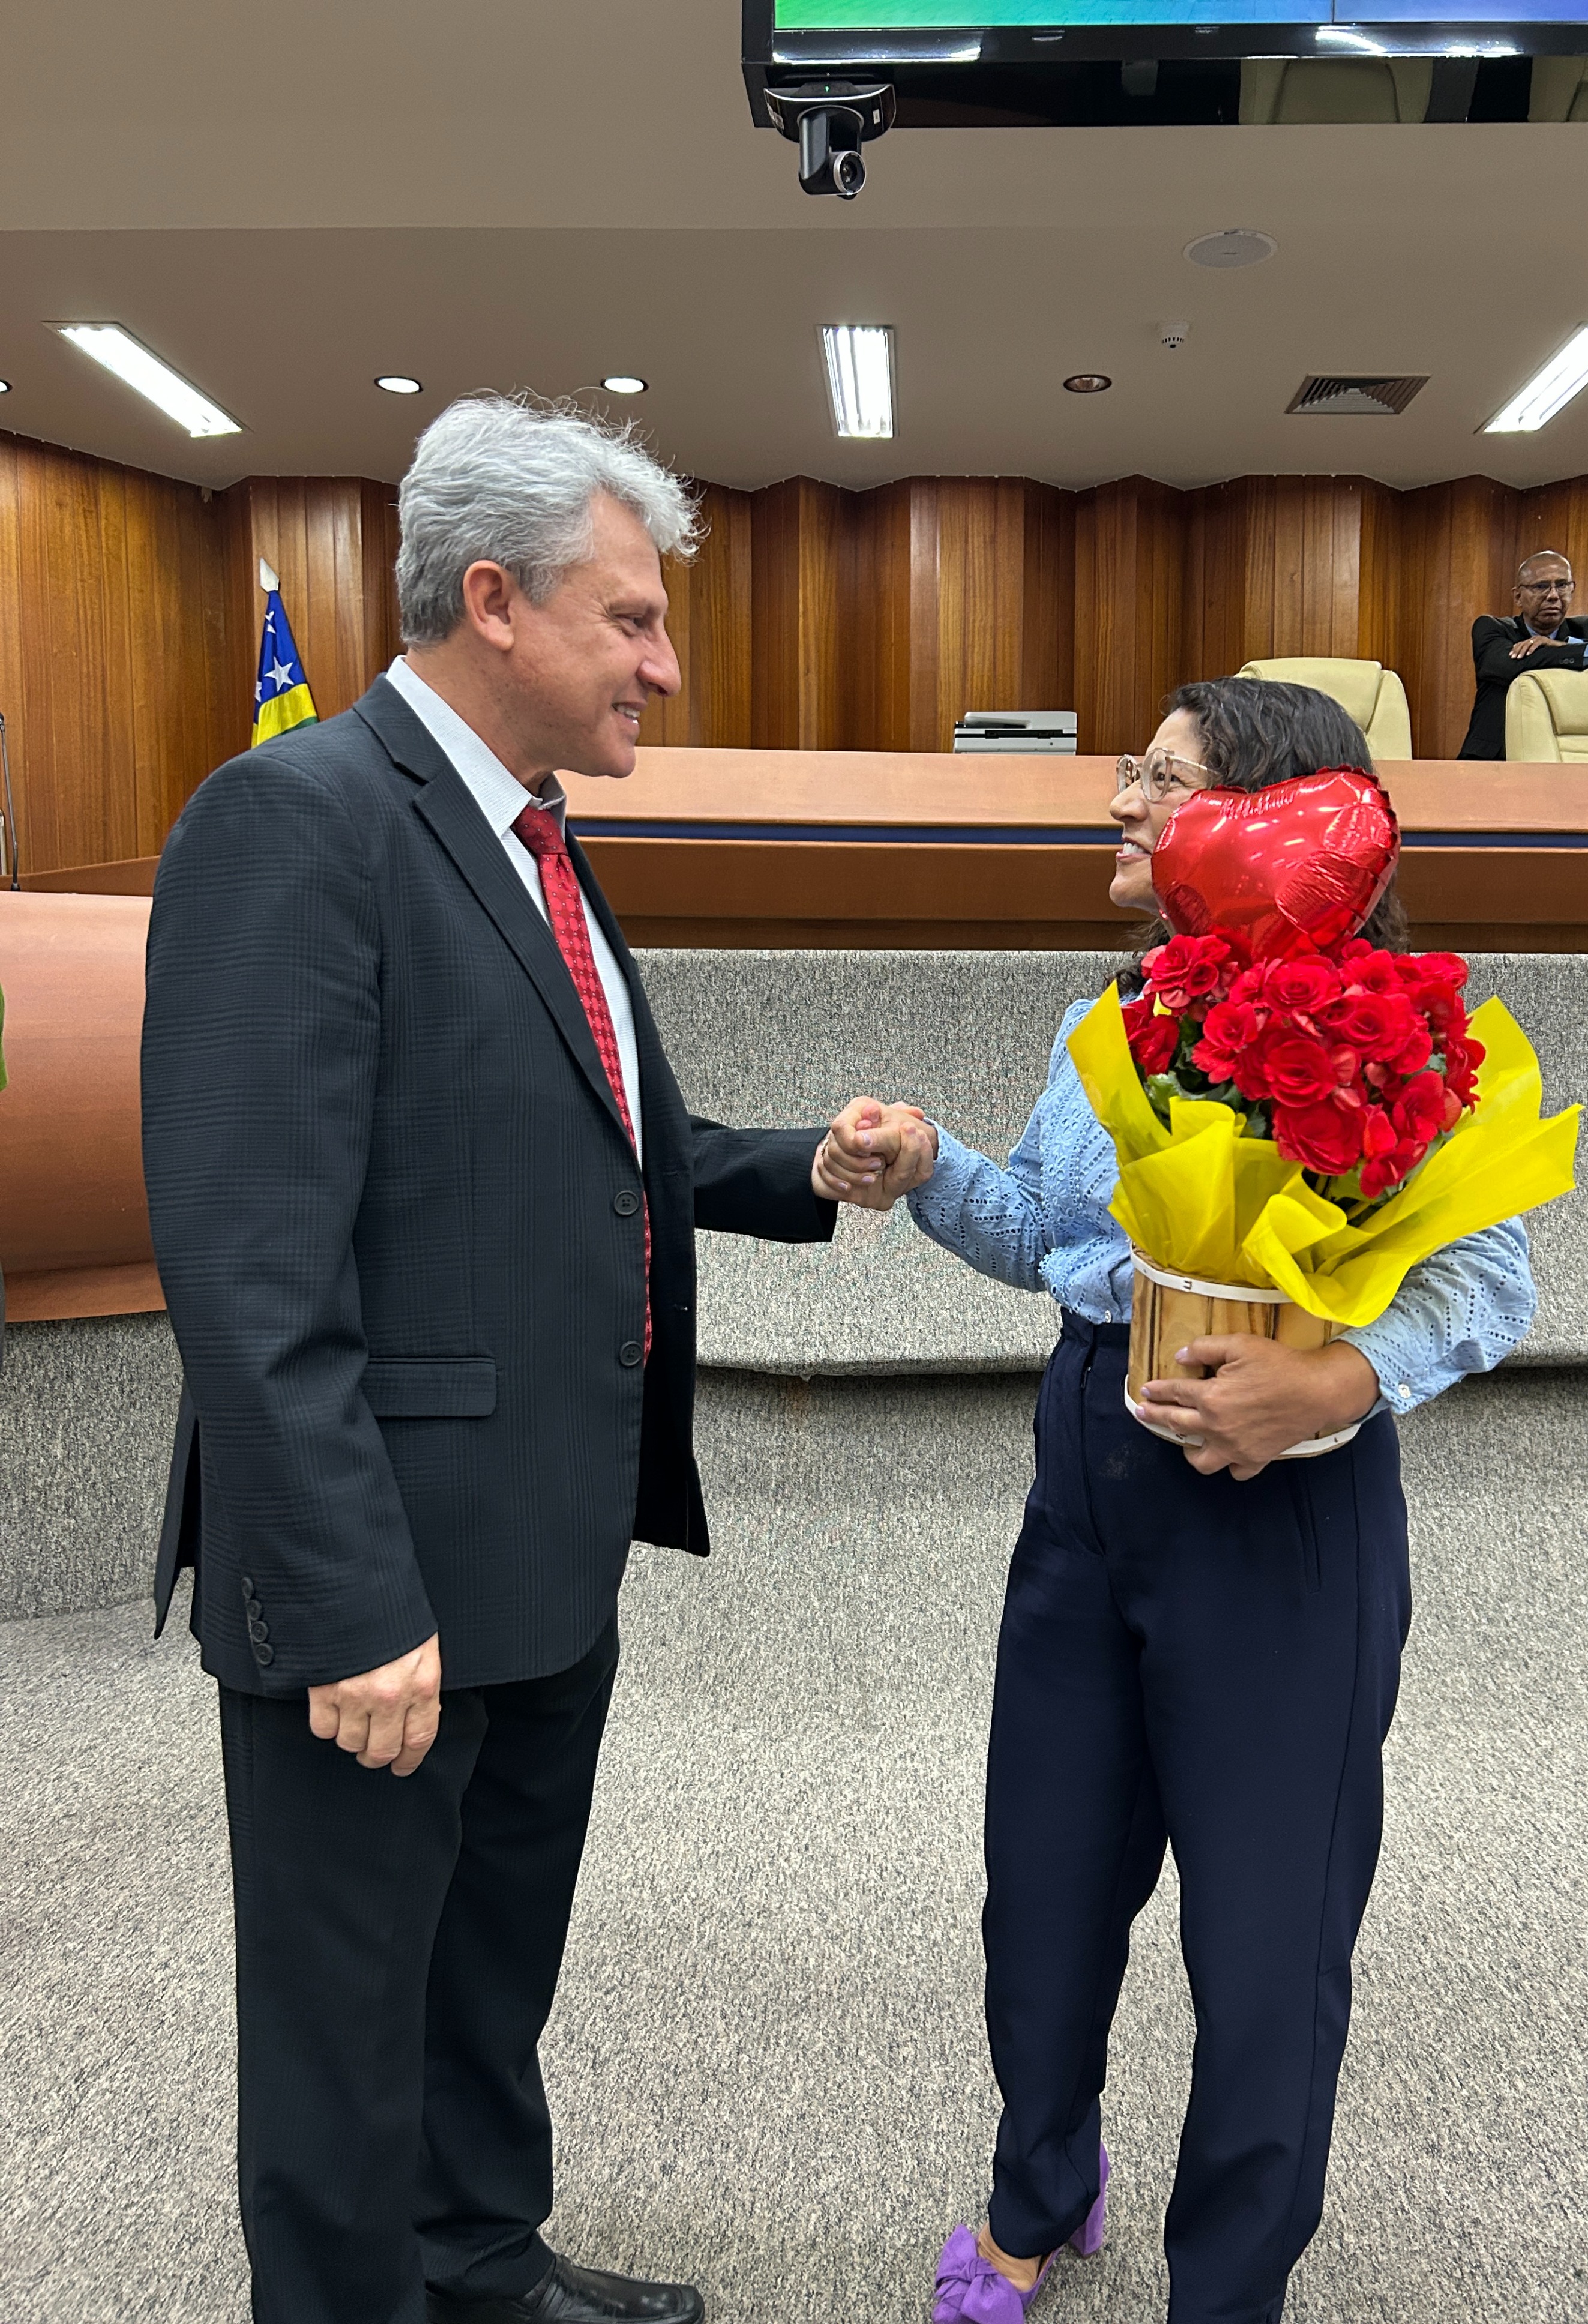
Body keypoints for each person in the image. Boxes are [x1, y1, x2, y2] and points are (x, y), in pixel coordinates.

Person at [140, 393, 933, 2324]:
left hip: (541, 1554)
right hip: (381, 1582)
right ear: (491, 601)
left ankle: (479, 2265)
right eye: (630, 620)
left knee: (485, 1970)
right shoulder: (295, 819)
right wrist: (348, 1603)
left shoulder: (529, 841)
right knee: (345, 2031)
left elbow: (597, 1133)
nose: (664, 665)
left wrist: (798, 1169)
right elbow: (251, 1266)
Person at [818, 678, 1539, 2324]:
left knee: (1266, 1946)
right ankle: (1040, 2190)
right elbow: (1052, 1241)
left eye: (1159, 777)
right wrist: (929, 1169)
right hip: (1089, 1470)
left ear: (1278, 821)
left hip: (1280, 1516)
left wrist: (1331, 1384)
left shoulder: (1408, 1030)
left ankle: (1227, 2289)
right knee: (1043, 1890)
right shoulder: (1116, 1013)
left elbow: (1487, 1284)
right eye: (1127, 773)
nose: (1118, 801)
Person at [1458, 549, 1588, 760]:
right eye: (1541, 587)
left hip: (1569, 757)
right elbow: (1507, 665)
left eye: (1562, 585)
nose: (1553, 596)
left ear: (1572, 589)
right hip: (1495, 759)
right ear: (1518, 596)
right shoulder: (1493, 628)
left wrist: (1558, 645)